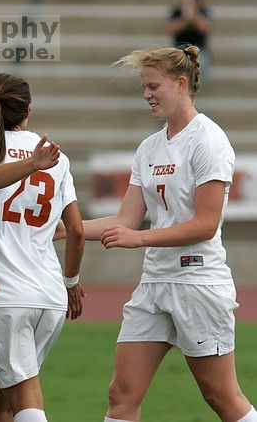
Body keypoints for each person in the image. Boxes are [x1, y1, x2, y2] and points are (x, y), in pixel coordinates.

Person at [84, 46, 256, 422]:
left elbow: (205, 225)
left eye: (152, 85)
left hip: (198, 283)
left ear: (181, 84)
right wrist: (64, 229)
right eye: (144, 87)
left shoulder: (208, 140)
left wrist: (140, 239)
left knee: (220, 396)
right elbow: (126, 220)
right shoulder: (149, 147)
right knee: (121, 394)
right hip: (154, 283)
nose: (146, 94)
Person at [0, 73, 84, 422]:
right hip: (50, 293)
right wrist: (71, 283)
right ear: (28, 110)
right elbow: (75, 229)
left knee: (25, 394)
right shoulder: (56, 155)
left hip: (4, 295)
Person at [167, 0, 211, 80]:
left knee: (200, 66)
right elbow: (171, 30)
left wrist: (194, 17)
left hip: (198, 51)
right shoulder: (177, 12)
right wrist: (184, 19)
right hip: (179, 49)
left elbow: (205, 29)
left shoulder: (204, 11)